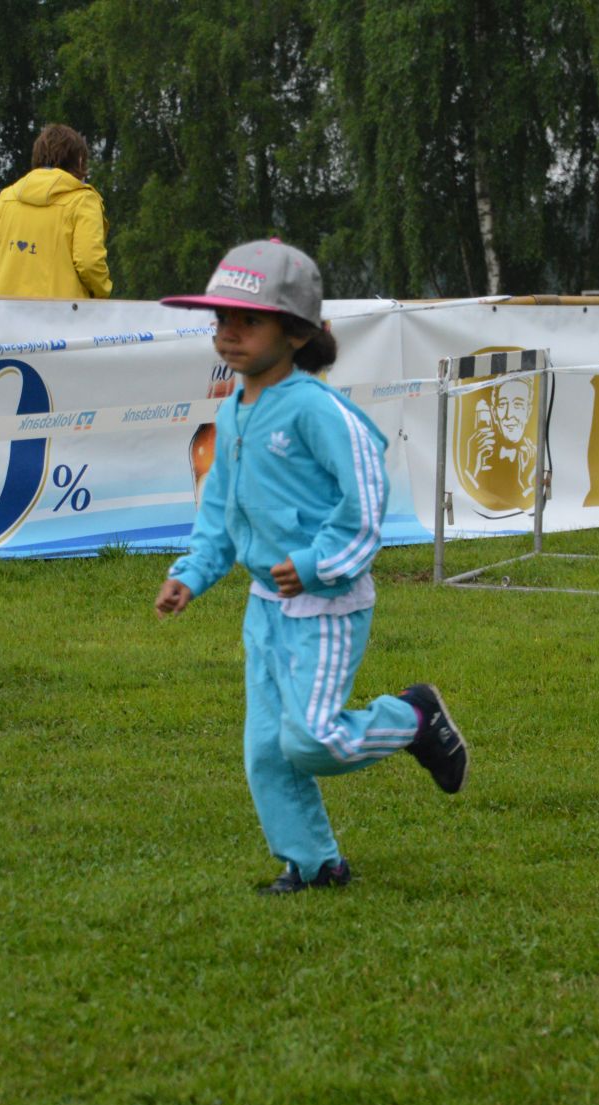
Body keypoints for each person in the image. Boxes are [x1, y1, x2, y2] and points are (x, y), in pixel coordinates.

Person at [155, 238, 469, 895]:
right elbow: (221, 512)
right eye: (221, 319)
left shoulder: (319, 410)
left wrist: (316, 564)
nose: (229, 333)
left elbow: (366, 502)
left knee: (312, 740)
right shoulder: (232, 412)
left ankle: (413, 718)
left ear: (296, 333)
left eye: (248, 321)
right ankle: (314, 864)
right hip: (265, 611)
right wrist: (192, 572)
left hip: (327, 606)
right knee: (267, 750)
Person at [0, 123, 112, 299]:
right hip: (63, 312)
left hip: (5, 310)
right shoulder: (83, 201)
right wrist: (103, 292)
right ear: (79, 160)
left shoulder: (6, 198)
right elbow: (89, 262)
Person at [465, 375, 536, 507]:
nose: (509, 415)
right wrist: (470, 469)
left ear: (528, 411)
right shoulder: (481, 454)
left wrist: (526, 482)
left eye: (518, 404)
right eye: (502, 405)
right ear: (494, 412)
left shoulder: (536, 458)